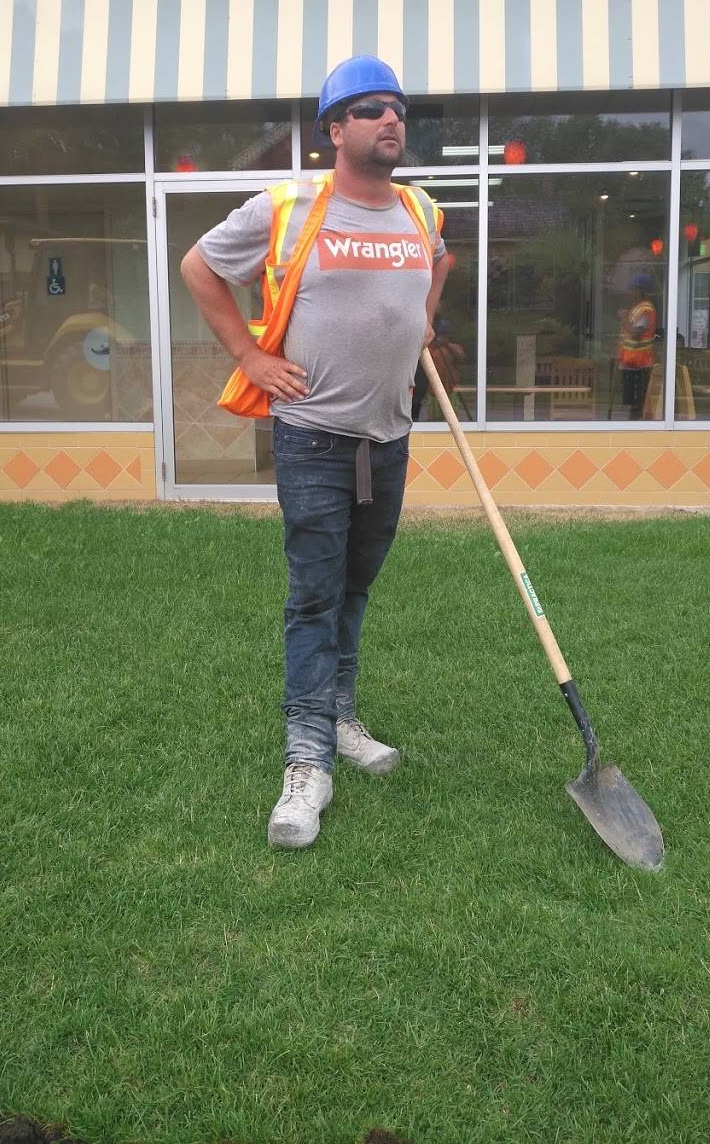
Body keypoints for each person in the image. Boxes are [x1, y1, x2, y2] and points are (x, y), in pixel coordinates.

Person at [181, 55, 449, 850]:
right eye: (370, 108)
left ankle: (339, 715)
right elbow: (200, 267)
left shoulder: (420, 209)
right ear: (335, 129)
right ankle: (307, 760)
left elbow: (438, 262)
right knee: (313, 596)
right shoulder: (290, 206)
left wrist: (423, 319)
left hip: (389, 437)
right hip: (312, 439)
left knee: (355, 587)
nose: (390, 119)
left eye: (397, 108)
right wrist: (250, 356)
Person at [617, 272, 657, 420]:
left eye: (632, 289)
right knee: (631, 402)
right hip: (630, 362)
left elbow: (635, 334)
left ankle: (636, 424)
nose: (629, 292)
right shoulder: (637, 308)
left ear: (640, 291)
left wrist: (623, 318)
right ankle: (633, 423)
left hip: (639, 363)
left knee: (637, 402)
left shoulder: (645, 310)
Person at [411, 316, 466, 420]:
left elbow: (461, 356)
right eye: (441, 335)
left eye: (446, 335)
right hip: (434, 392)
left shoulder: (453, 348)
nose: (444, 337)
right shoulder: (430, 350)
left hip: (450, 391)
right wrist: (435, 344)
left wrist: (447, 345)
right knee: (434, 421)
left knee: (452, 419)